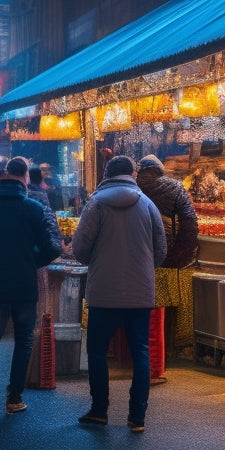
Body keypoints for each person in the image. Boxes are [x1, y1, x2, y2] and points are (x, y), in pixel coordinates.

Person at [71, 155, 167, 432]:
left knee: (98, 351)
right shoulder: (148, 205)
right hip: (140, 292)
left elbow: (79, 248)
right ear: (133, 174)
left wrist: (97, 259)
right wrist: (143, 268)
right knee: (140, 350)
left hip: (104, 292)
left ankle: (99, 410)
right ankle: (137, 416)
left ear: (106, 174)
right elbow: (160, 251)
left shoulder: (96, 204)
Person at [0, 156, 62, 419]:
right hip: (22, 283)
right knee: (23, 339)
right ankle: (14, 397)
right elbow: (53, 247)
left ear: (4, 175)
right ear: (25, 179)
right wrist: (32, 262)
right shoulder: (32, 207)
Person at [136, 154, 199, 358]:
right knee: (169, 304)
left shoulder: (133, 187)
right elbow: (189, 221)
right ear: (160, 171)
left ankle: (138, 347)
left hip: (138, 254)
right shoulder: (175, 187)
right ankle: (168, 348)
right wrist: (181, 252)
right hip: (170, 253)